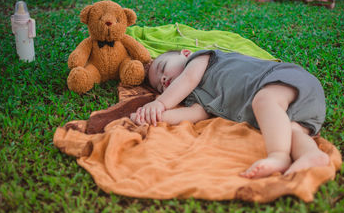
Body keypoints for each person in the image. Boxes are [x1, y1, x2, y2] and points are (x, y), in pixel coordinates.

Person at [130, 49, 329, 178]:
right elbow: (195, 115)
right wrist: (150, 117)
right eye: (159, 86)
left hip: (283, 80)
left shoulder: (200, 60)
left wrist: (160, 102)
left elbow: (188, 79)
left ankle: (279, 156)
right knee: (292, 131)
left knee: (264, 101)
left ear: (185, 53)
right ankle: (312, 155)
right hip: (299, 108)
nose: (163, 79)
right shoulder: (194, 99)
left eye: (163, 68)